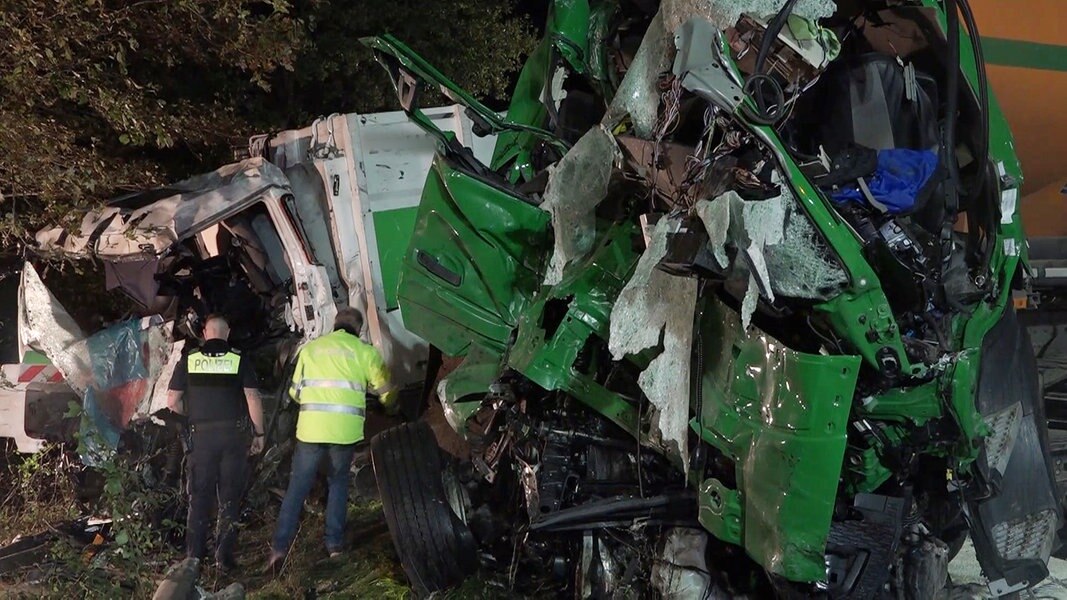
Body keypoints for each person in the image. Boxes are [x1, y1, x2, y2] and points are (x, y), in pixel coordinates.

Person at [266, 307, 393, 571]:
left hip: (311, 431)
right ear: (358, 329)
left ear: (335, 325)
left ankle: (279, 549)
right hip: (343, 434)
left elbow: (295, 393)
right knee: (338, 484)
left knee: (297, 488)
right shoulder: (366, 352)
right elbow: (387, 393)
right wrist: (392, 406)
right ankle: (334, 545)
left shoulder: (310, 350)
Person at [167, 314, 265, 571]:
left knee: (198, 499)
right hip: (233, 439)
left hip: (201, 439)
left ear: (203, 332)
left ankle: (194, 558)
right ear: (228, 332)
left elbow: (172, 402)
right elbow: (253, 398)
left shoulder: (189, 361)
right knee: (229, 499)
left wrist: (191, 417)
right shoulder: (238, 360)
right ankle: (223, 558)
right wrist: (259, 434)